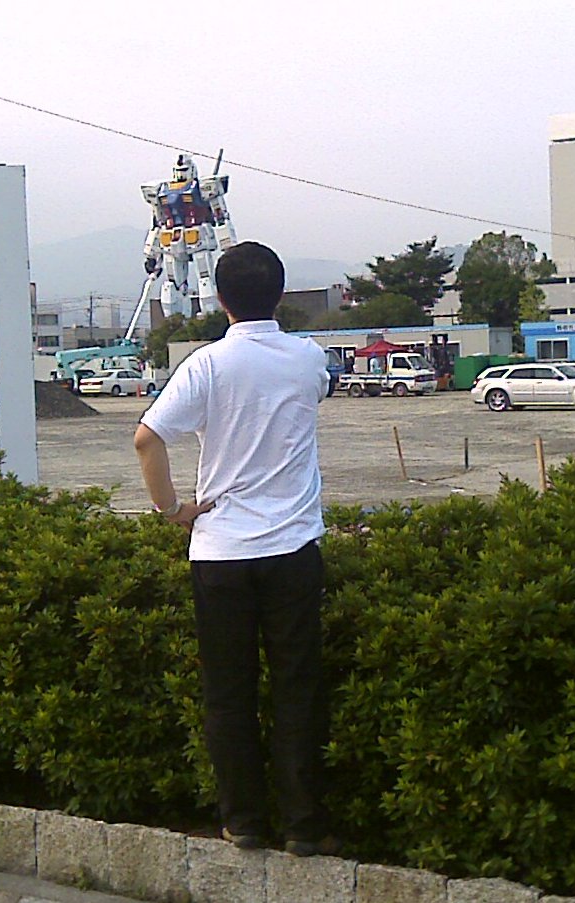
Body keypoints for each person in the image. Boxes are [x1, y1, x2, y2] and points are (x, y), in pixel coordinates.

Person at [133, 241, 338, 856]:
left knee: (229, 692)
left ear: (219, 298)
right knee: (298, 689)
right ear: (279, 294)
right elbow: (320, 388)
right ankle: (304, 825)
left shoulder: (207, 365)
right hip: (293, 548)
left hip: (221, 552)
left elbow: (147, 439)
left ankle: (243, 821)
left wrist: (173, 509)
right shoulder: (307, 359)